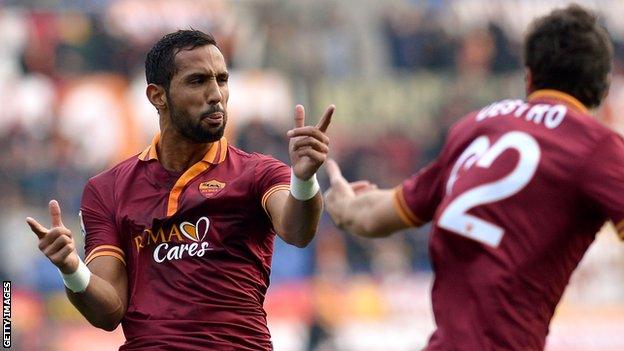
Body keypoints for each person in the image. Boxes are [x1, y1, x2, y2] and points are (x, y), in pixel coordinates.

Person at [324, 5, 619, 351]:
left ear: (529, 77)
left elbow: (371, 215)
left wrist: (339, 199)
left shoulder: (477, 127)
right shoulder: (597, 147)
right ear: (602, 87)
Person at [26, 29, 334, 350]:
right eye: (198, 81)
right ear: (157, 96)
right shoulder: (108, 189)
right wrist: (71, 268)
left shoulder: (258, 173)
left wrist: (304, 178)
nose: (215, 94)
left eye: (222, 79)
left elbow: (298, 231)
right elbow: (109, 312)